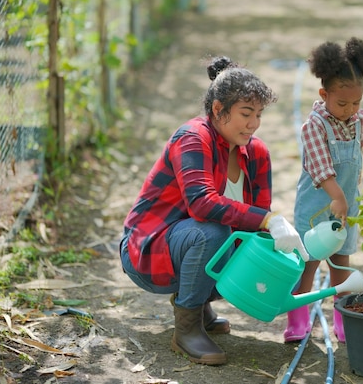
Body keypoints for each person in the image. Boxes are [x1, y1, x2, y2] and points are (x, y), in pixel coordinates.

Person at [120, 56, 310, 366]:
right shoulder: (193, 138)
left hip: (185, 245)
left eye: (259, 115)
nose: (253, 124)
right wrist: (268, 219)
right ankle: (186, 328)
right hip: (148, 250)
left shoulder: (257, 152)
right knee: (214, 231)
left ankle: (200, 305)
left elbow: (256, 218)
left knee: (247, 241)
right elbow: (201, 203)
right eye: (246, 114)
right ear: (218, 110)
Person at [284, 37, 363, 343]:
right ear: (323, 94)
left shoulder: (358, 120)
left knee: (341, 265)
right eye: (342, 103)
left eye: (356, 102)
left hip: (346, 208)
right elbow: (322, 168)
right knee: (307, 265)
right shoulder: (314, 126)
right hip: (316, 210)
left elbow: (355, 159)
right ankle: (298, 320)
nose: (349, 109)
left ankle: (342, 319)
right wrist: (337, 196)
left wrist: (347, 199)